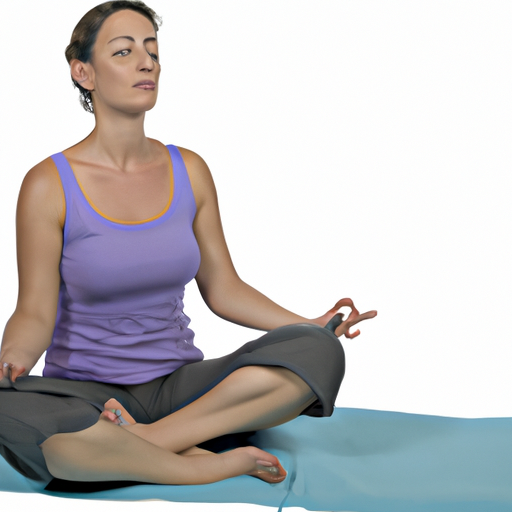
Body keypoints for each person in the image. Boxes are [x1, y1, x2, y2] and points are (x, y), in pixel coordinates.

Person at [0, 0, 376, 487]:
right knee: (8, 405)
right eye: (124, 51)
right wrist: (14, 357)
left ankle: (136, 447)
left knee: (317, 353)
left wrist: (312, 325)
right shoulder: (47, 184)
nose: (146, 62)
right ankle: (201, 459)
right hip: (86, 396)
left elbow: (223, 288)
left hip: (180, 389)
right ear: (83, 72)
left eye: (152, 51)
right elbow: (34, 311)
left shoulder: (190, 170)